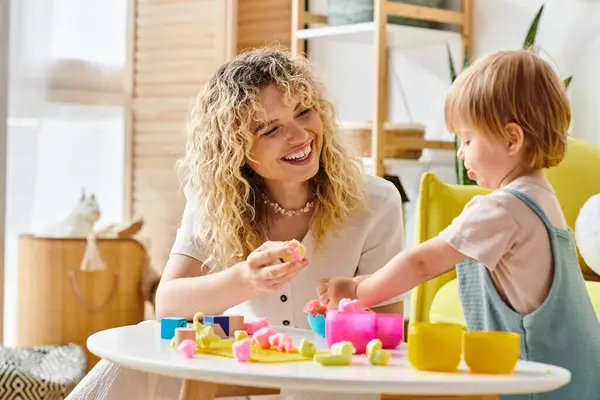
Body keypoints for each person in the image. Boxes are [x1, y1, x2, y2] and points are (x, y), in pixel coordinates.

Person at [67, 47, 406, 400]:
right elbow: (168, 304)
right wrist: (246, 278)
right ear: (235, 149)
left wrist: (345, 307)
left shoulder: (376, 202)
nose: (300, 136)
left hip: (332, 387)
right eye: (271, 130)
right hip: (239, 384)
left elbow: (387, 337)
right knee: (136, 357)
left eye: (304, 112)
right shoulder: (214, 199)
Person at [319, 49, 600, 400]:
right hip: (576, 374)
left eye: (467, 139)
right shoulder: (542, 198)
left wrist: (359, 291)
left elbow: (421, 262)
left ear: (512, 138)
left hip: (536, 385)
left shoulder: (501, 209)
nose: (460, 152)